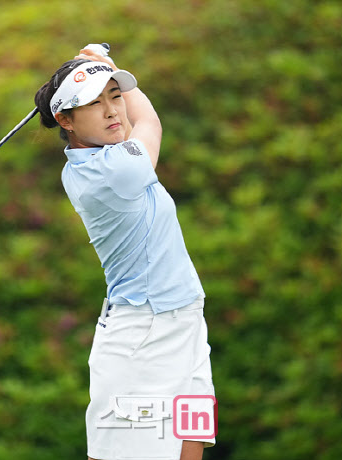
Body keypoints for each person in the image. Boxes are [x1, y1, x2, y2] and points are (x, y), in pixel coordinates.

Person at [34, 45, 215, 460]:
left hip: (186, 323)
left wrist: (105, 74)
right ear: (65, 120)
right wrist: (112, 68)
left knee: (190, 448)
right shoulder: (114, 169)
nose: (112, 110)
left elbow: (131, 124)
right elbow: (148, 121)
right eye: (94, 103)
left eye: (115, 96)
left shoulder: (98, 158)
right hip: (143, 337)